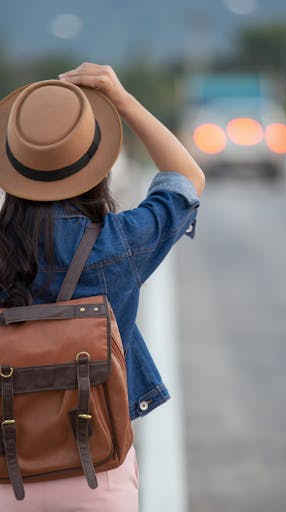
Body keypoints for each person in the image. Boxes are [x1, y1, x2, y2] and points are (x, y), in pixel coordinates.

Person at [0, 62, 205, 511]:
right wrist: (123, 100)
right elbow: (186, 178)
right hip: (97, 474)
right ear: (96, 164)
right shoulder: (122, 242)